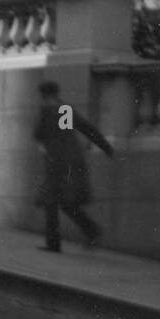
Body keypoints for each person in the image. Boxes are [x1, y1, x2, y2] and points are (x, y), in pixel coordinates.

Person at [33, 79, 114, 252]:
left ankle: (56, 243)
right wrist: (105, 146)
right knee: (65, 203)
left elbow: (39, 135)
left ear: (44, 96)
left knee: (53, 202)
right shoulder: (63, 110)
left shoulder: (49, 111)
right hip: (69, 161)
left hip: (59, 163)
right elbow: (85, 128)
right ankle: (91, 231)